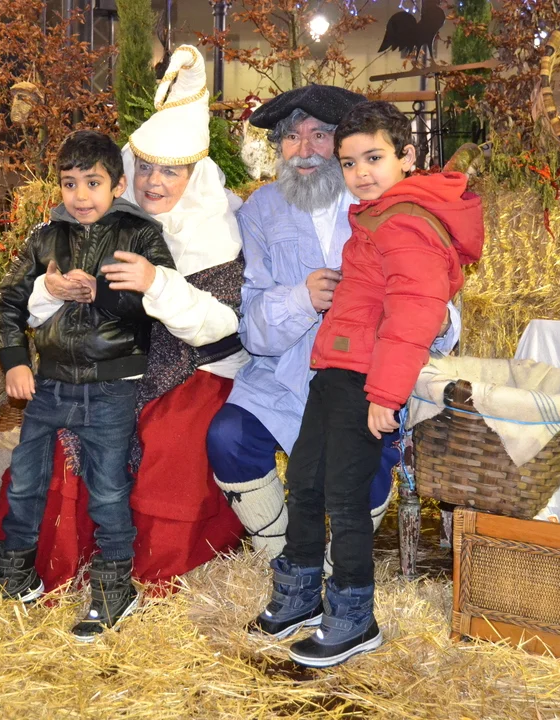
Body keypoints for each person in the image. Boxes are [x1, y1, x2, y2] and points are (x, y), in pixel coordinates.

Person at [0, 45, 245, 596]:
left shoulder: (217, 231)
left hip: (197, 369)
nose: (153, 182)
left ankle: (134, 576)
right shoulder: (104, 223)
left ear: (195, 175)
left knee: (167, 441)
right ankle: (43, 571)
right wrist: (50, 293)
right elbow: (35, 300)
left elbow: (221, 326)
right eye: (146, 168)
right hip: (109, 364)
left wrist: (155, 283)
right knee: (52, 447)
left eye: (170, 171)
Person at [251, 100, 484, 667]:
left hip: (365, 380)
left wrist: (385, 395)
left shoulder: (406, 223)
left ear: (407, 157)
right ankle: (301, 592)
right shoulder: (377, 218)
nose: (361, 173)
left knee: (344, 496)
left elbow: (414, 314)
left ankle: (355, 616)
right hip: (334, 372)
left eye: (374, 158)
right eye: (350, 162)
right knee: (305, 479)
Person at [206, 86, 461, 563]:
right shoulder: (259, 210)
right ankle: (279, 555)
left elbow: (434, 302)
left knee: (367, 460)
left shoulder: (384, 201)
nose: (304, 151)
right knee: (228, 437)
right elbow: (251, 327)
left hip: (369, 376)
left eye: (319, 136)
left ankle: (339, 565)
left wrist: (442, 320)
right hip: (283, 375)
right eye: (291, 137)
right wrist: (301, 299)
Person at [0, 129, 174, 641]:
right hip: (49, 382)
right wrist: (14, 362)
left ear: (117, 185)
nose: (80, 195)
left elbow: (159, 303)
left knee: (108, 487)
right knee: (25, 479)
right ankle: (16, 573)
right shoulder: (45, 237)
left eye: (93, 183)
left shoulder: (141, 234)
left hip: (112, 385)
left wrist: (102, 295)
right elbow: (6, 303)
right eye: (70, 184)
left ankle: (114, 587)